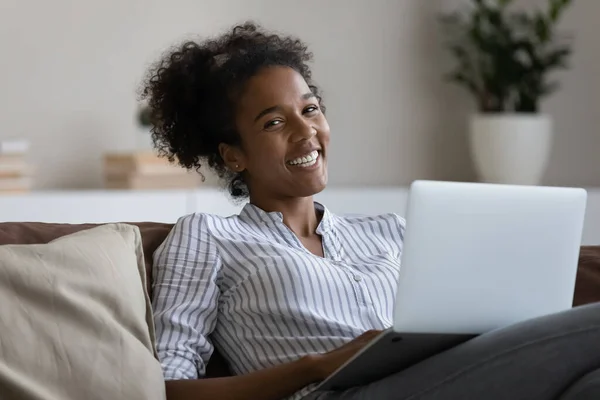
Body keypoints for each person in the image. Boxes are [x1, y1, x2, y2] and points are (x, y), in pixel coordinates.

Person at [142, 22, 600, 400]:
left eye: (311, 109)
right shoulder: (207, 236)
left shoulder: (392, 232)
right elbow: (169, 388)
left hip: (443, 378)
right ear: (232, 155)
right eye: (275, 122)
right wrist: (316, 366)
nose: (307, 132)